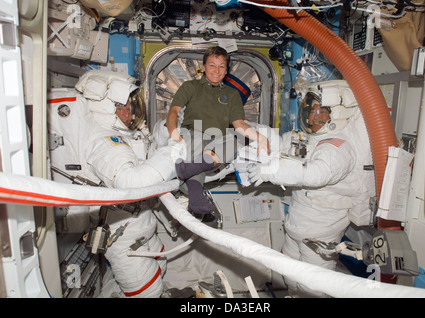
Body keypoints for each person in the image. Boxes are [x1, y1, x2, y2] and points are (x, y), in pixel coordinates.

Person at [48, 70, 185, 297]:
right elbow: (130, 182)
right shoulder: (103, 141)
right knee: (147, 293)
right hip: (125, 240)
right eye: (123, 106)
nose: (129, 111)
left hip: (140, 231)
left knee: (158, 272)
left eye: (131, 105)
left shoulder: (121, 136)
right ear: (106, 107)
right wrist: (176, 150)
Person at [247, 80, 376, 297]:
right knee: (289, 273)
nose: (312, 117)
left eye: (321, 112)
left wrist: (270, 172)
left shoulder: (338, 146)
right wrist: (259, 134)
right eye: (310, 110)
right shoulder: (309, 138)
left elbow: (316, 175)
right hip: (297, 225)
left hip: (320, 232)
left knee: (312, 286)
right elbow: (282, 145)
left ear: (336, 115)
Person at [166, 46, 270, 215]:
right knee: (197, 144)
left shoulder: (232, 94)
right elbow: (173, 111)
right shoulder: (190, 86)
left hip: (218, 139)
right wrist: (173, 132)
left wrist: (262, 139)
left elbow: (239, 125)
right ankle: (196, 196)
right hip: (194, 132)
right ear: (204, 66)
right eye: (212, 65)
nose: (217, 70)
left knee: (239, 139)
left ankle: (189, 169)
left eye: (222, 66)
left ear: (226, 70)